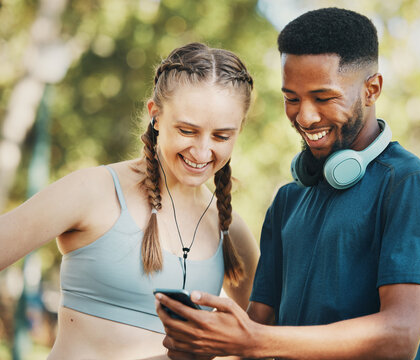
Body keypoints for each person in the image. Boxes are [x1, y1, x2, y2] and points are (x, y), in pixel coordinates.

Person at [155, 8, 420, 360]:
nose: (305, 116)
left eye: (323, 97)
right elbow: (258, 330)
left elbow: (400, 335)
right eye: (292, 98)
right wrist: (208, 342)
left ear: (372, 89)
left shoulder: (411, 185)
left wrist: (252, 340)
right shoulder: (288, 201)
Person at [0, 42, 259, 359]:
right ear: (156, 116)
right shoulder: (93, 191)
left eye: (221, 136)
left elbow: (254, 344)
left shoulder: (230, 231)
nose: (203, 152)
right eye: (187, 130)